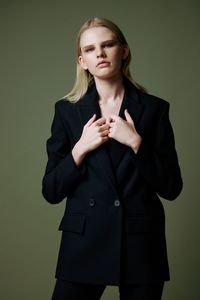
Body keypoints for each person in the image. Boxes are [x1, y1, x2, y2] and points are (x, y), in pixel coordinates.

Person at [42, 17, 183, 300]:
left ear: (125, 51)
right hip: (84, 240)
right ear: (82, 61)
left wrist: (135, 142)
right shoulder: (66, 112)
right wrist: (80, 148)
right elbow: (51, 190)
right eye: (91, 49)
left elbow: (171, 188)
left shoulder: (154, 110)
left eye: (108, 45)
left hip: (140, 242)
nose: (101, 54)